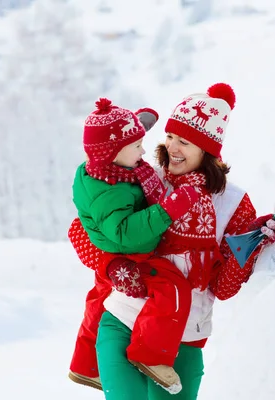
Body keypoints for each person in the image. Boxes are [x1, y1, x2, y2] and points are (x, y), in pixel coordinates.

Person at [68, 83, 275, 399]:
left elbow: (222, 288)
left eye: (184, 141)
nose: (172, 147)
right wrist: (115, 267)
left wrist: (252, 245)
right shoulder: (142, 178)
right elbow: (82, 231)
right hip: (122, 322)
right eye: (170, 137)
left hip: (182, 340)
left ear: (208, 150)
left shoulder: (232, 204)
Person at [67, 98, 202, 393]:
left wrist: (137, 123)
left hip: (118, 257)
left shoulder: (114, 168)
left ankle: (84, 366)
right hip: (129, 257)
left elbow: (117, 142)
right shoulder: (117, 187)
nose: (147, 151)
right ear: (114, 153)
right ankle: (151, 356)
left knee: (97, 300)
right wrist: (166, 211)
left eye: (185, 142)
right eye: (169, 138)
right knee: (170, 288)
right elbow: (112, 232)